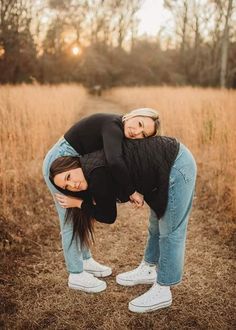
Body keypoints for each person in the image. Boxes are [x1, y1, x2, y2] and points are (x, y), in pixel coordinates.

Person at [50, 136, 197, 313]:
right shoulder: (89, 169)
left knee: (171, 230)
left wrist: (78, 204)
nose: (72, 185)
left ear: (74, 164)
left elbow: (108, 216)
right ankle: (149, 269)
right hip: (162, 168)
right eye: (67, 186)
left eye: (68, 177)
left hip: (176, 166)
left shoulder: (96, 172)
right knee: (156, 223)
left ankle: (163, 289)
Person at [42, 108, 160, 293]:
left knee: (82, 211)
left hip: (74, 163)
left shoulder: (116, 128)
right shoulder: (113, 125)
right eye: (139, 124)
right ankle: (76, 273)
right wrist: (132, 191)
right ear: (131, 114)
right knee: (69, 218)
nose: (137, 132)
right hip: (62, 164)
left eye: (143, 134)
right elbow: (114, 160)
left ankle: (86, 260)